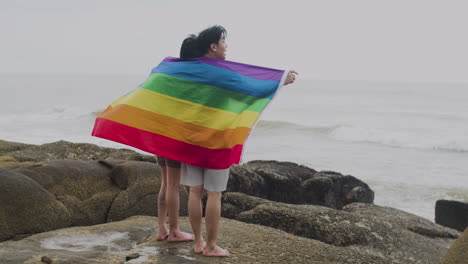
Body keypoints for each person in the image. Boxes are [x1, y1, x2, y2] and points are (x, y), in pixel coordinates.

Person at [178, 25, 297, 257]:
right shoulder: (224, 72)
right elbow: (251, 87)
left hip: (191, 138)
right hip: (217, 141)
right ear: (213, 46)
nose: (226, 47)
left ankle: (198, 243)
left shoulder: (187, 71)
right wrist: (281, 80)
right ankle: (211, 247)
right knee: (214, 194)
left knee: (194, 192)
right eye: (223, 42)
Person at [155, 156, 194, 242]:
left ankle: (162, 228)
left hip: (161, 144)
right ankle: (174, 232)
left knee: (165, 182)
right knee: (173, 185)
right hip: (174, 146)